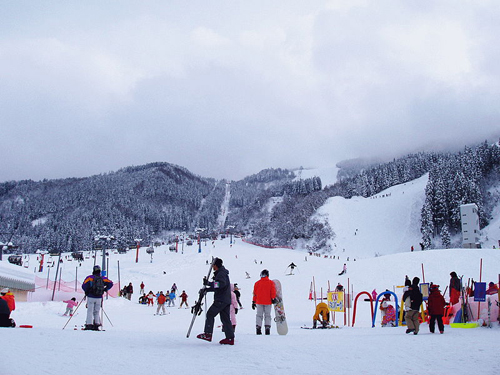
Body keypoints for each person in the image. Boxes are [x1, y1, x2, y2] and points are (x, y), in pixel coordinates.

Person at [197, 257, 235, 345]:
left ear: (215, 265)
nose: (212, 266)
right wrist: (207, 289)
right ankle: (230, 338)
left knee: (210, 314)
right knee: (225, 319)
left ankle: (208, 334)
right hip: (225, 299)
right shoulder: (222, 272)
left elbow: (220, 284)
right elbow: (219, 287)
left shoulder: (221, 273)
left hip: (221, 299)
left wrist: (208, 284)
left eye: (212, 265)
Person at [81, 265, 113, 330]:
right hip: (99, 297)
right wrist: (105, 289)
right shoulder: (103, 278)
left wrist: (87, 291)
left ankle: (89, 324)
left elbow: (84, 286)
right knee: (97, 311)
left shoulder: (89, 278)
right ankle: (97, 324)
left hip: (91, 296)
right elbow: (111, 283)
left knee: (90, 311)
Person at [252, 269, 277, 335]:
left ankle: (258, 327)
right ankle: (267, 327)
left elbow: (255, 293)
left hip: (259, 301)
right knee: (267, 315)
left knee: (259, 315)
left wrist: (253, 301)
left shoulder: (257, 283)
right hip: (268, 301)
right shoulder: (270, 282)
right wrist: (273, 298)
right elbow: (273, 291)